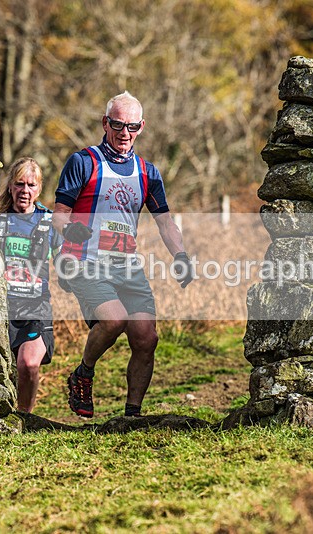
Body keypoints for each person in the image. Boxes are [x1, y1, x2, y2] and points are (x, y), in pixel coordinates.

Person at [52, 91, 194, 418]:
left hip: (126, 265)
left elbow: (166, 223)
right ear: (105, 123)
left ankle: (132, 416)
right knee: (114, 319)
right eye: (117, 125)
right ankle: (83, 373)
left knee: (146, 338)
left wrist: (181, 256)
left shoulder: (148, 173)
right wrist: (69, 228)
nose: (124, 133)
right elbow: (59, 214)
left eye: (131, 127)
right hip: (84, 261)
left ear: (141, 127)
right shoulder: (83, 162)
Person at [0, 157, 62, 414]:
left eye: (31, 185)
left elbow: (66, 259)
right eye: (20, 184)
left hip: (36, 308)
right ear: (11, 186)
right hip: (2, 308)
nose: (25, 191)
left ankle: (24, 418)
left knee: (28, 363)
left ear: (39, 188)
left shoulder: (48, 221)